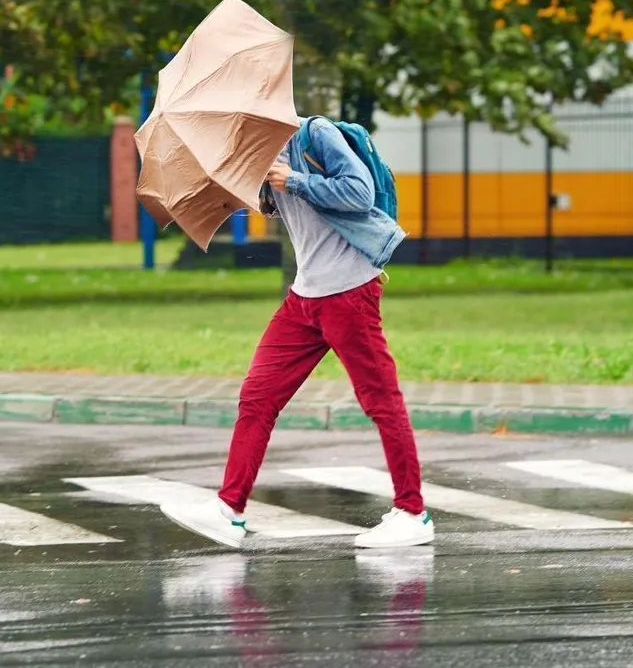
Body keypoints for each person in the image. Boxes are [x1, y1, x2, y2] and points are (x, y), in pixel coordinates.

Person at [160, 116, 433, 549]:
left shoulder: (314, 134)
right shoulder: (258, 151)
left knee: (380, 400)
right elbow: (281, 207)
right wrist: (252, 189)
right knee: (257, 397)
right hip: (304, 298)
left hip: (348, 293)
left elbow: (358, 193)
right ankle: (228, 510)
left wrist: (295, 180)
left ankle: (412, 513)